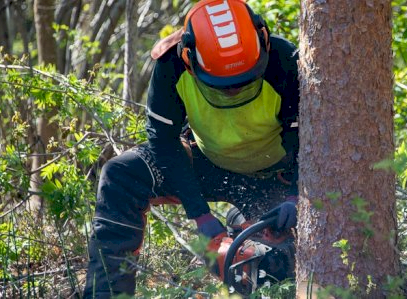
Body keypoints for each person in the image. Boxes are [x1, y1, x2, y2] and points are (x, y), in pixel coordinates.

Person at [83, 0, 299, 297]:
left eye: (243, 82)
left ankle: (248, 239)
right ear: (189, 59)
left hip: (274, 178)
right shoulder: (171, 64)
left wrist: (296, 196)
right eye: (222, 87)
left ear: (263, 42)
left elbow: (312, 142)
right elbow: (163, 139)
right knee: (121, 174)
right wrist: (200, 214)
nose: (233, 91)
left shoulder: (286, 61)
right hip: (206, 162)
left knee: (268, 266)